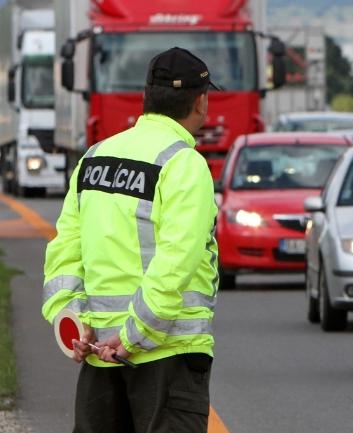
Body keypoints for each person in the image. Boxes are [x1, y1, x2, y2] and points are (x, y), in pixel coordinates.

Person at [41, 47, 219, 433]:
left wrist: (70, 319)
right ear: (200, 101)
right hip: (166, 353)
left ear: (147, 97)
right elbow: (176, 260)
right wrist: (134, 336)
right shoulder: (183, 163)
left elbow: (64, 250)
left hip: (97, 353)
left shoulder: (94, 157)